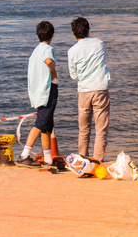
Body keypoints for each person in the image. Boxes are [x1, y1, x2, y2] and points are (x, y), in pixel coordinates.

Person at [68, 17, 110, 162]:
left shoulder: (72, 51)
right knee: (101, 131)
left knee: (84, 130)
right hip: (100, 89)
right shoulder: (99, 43)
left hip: (84, 91)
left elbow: (74, 76)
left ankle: (82, 160)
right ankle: (98, 162)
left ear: (73, 33)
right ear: (88, 30)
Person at [17, 21, 59, 168]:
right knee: (40, 124)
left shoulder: (35, 51)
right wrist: (54, 74)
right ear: (52, 35)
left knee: (46, 125)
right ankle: (24, 155)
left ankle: (48, 159)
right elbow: (48, 61)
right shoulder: (48, 48)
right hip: (47, 90)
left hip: (37, 91)